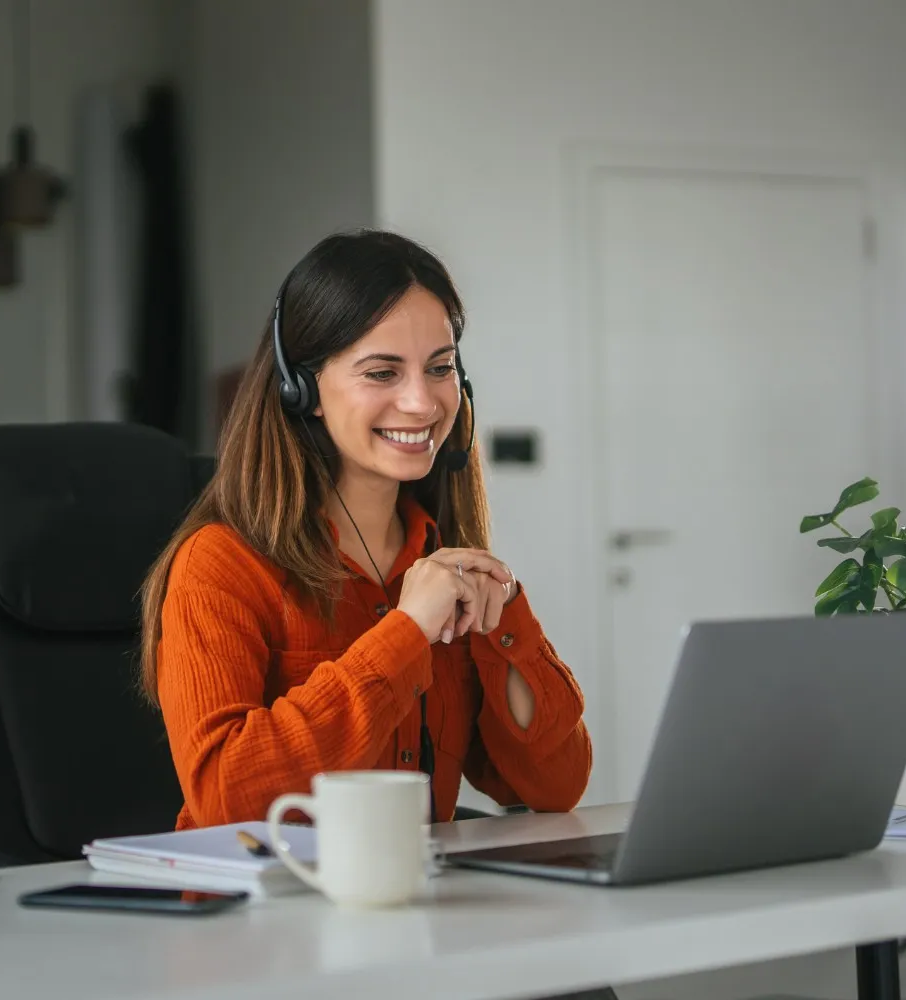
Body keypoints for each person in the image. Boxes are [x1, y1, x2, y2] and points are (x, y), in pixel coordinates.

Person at [138, 229, 592, 831]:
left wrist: (504, 616)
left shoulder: (442, 565)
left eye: (440, 368)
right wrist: (405, 634)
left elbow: (554, 788)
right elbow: (227, 799)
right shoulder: (218, 565)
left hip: (411, 908)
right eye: (382, 372)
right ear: (304, 390)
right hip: (260, 916)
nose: (423, 403)